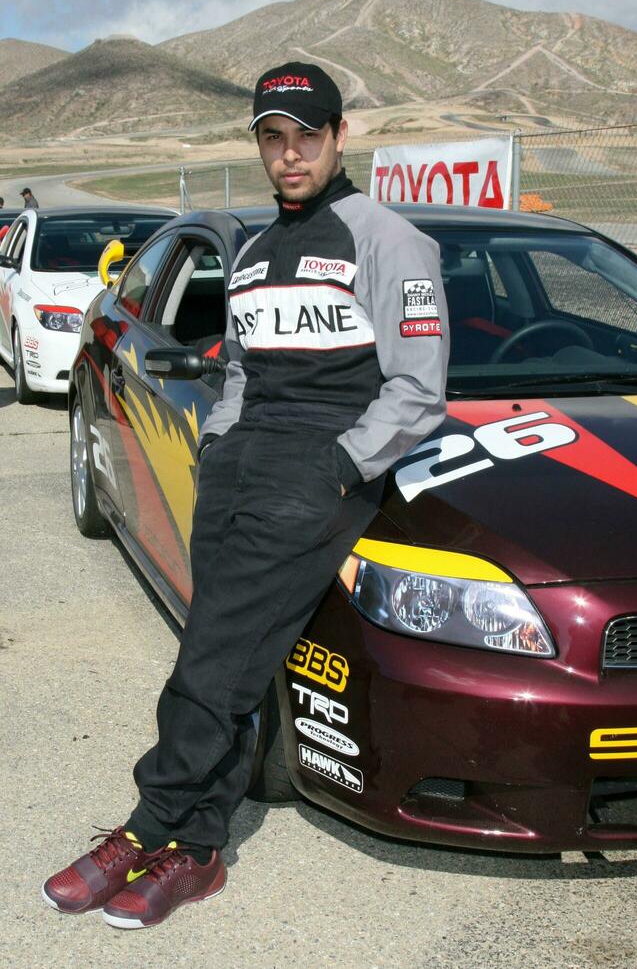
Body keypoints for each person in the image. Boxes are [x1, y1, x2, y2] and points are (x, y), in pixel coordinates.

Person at [42, 61, 450, 930]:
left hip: (316, 473)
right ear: (261, 147)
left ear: (341, 137)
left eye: (307, 136)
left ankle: (147, 824)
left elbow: (418, 390)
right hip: (236, 468)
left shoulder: (387, 239)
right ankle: (196, 853)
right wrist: (220, 444)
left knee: (212, 660)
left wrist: (339, 464)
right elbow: (240, 370)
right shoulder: (257, 252)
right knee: (226, 655)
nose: (290, 154)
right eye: (274, 138)